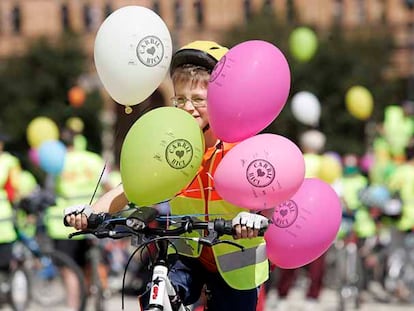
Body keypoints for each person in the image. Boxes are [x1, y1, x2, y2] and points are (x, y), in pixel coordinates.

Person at [65, 40, 271, 311]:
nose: (187, 107)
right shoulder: (175, 147)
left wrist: (255, 215)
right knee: (158, 294)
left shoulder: (242, 147)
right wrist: (91, 212)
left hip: (236, 260)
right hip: (187, 256)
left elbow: (270, 190)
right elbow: (130, 187)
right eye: (180, 99)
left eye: (199, 100)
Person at [46, 127, 108, 310]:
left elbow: (50, 191)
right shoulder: (94, 160)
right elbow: (108, 186)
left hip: (65, 225)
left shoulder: (57, 162)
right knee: (91, 262)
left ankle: (75, 306)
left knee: (70, 269)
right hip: (94, 220)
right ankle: (98, 291)